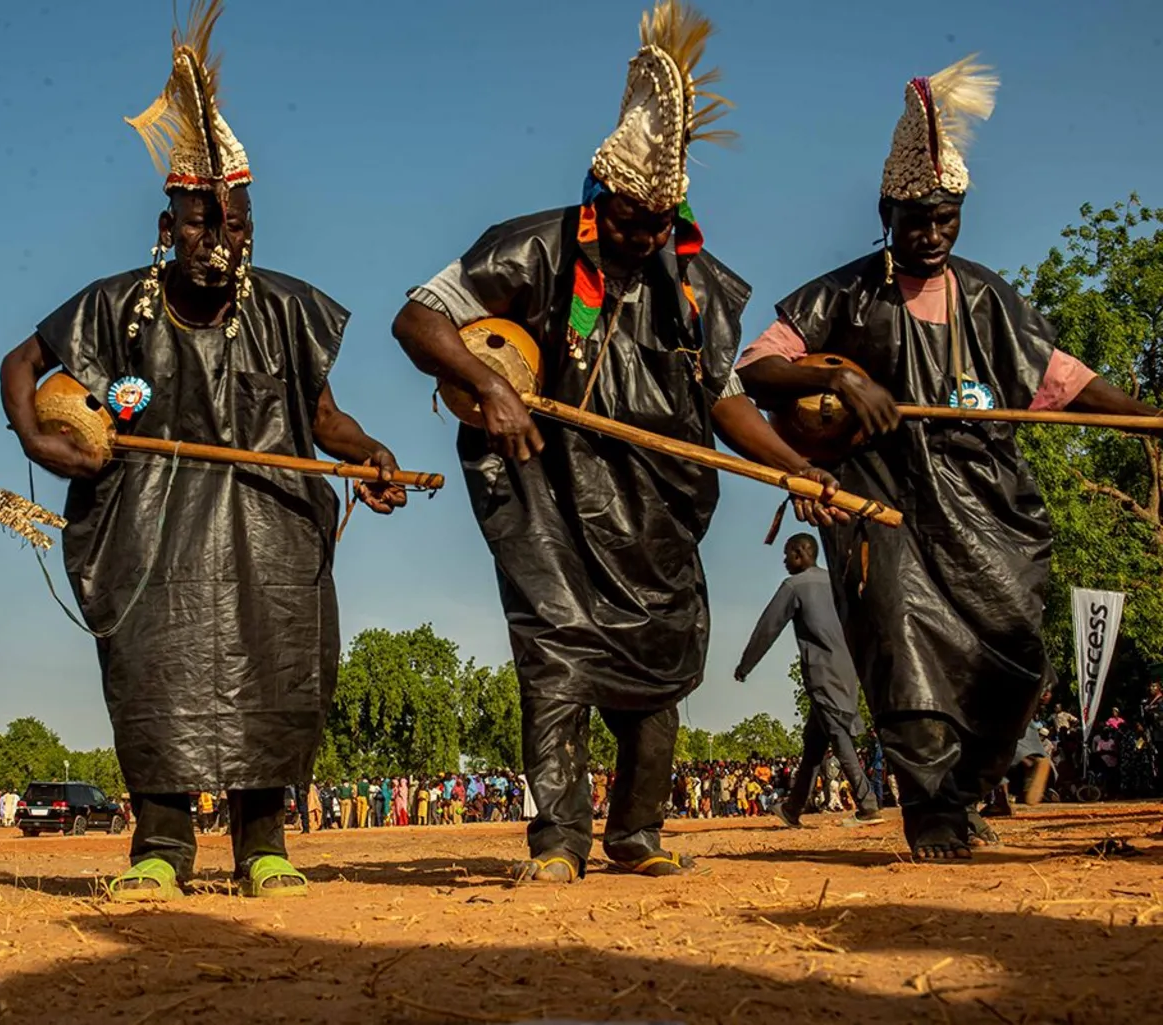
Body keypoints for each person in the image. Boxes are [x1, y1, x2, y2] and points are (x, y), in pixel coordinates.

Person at [392, 0, 845, 883]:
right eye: (630, 219)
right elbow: (418, 319)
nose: (643, 238)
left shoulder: (699, 285)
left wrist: (799, 468)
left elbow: (722, 400)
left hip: (657, 509)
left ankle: (637, 831)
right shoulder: (527, 247)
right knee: (555, 655)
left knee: (663, 656)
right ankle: (558, 840)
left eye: (659, 223)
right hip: (543, 499)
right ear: (600, 199)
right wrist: (491, 386)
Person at [0, 2, 406, 901]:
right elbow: (22, 363)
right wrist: (39, 437)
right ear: (168, 219)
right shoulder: (113, 306)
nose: (216, 237)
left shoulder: (290, 308)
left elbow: (321, 414)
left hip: (269, 529)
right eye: (199, 220)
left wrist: (369, 451)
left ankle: (264, 846)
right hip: (147, 537)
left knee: (273, 673)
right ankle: (160, 846)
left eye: (232, 221)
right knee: (155, 677)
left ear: (250, 222)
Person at [738, 57, 1163, 859]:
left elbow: (1067, 381)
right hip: (886, 501)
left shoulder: (987, 296)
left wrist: (1149, 419)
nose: (931, 235)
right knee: (902, 650)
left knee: (1016, 659)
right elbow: (755, 367)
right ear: (885, 211)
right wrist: (835, 375)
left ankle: (964, 794)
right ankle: (930, 810)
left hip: (988, 507)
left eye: (946, 218)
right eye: (915, 219)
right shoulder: (843, 295)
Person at [735, 533, 882, 828]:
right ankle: (793, 808)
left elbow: (768, 626)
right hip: (846, 668)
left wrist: (745, 664)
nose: (784, 560)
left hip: (821, 672)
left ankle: (868, 805)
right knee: (814, 741)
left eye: (788, 553)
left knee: (838, 734)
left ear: (801, 553)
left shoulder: (793, 586)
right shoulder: (836, 583)